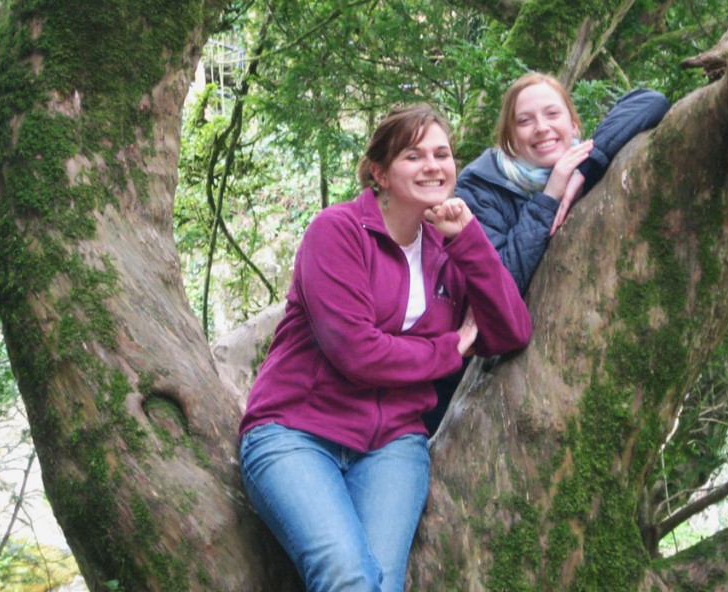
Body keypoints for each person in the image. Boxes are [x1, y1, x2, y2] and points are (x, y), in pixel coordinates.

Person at [238, 104, 532, 592]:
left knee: (382, 582)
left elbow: (511, 332)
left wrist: (471, 241)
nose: (433, 165)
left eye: (442, 154)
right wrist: (448, 349)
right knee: (348, 574)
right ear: (380, 173)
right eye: (414, 156)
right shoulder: (336, 232)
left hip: (392, 444)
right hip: (296, 432)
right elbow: (355, 350)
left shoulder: (448, 249)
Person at [424, 74, 669, 432]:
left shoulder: (587, 163)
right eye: (525, 121)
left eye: (552, 114)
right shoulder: (478, 187)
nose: (541, 128)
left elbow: (651, 99)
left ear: (573, 123)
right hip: (471, 381)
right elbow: (501, 285)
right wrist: (549, 196)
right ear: (510, 137)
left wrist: (586, 165)